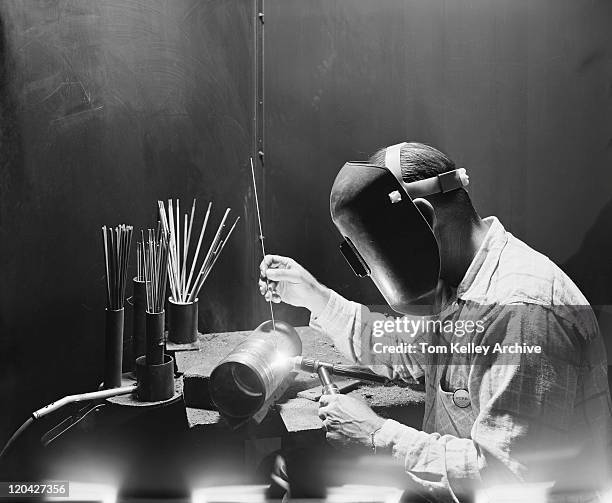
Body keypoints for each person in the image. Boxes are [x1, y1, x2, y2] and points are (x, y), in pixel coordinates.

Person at [259, 143, 612, 502]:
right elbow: (399, 349)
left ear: (424, 220)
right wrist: (312, 295)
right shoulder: (461, 283)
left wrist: (375, 435)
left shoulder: (520, 312)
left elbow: (506, 480)